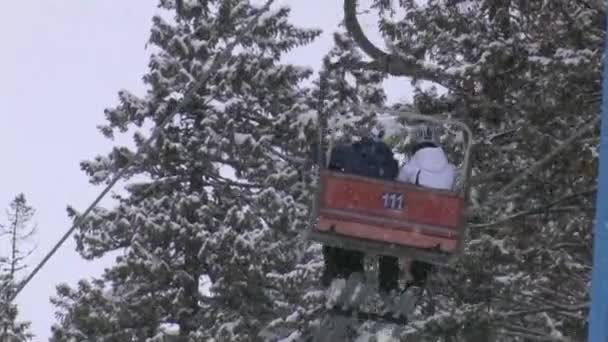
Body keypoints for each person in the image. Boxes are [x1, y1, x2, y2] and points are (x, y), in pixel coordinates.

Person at [313, 134, 401, 294]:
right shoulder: (388, 163)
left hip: (348, 214)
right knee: (373, 244)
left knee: (337, 238)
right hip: (375, 220)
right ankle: (382, 285)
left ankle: (341, 275)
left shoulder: (345, 154)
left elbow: (322, 157)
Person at [398, 124, 456, 288]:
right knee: (426, 246)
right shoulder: (449, 169)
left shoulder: (412, 166)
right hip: (439, 222)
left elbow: (398, 184)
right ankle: (417, 280)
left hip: (415, 219)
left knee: (406, 243)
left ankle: (406, 279)